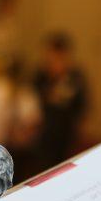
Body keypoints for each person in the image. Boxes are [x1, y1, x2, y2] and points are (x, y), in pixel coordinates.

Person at [33, 32, 88, 165]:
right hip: (42, 127)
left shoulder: (75, 77)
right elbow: (33, 101)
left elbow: (81, 105)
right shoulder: (40, 76)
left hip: (65, 128)